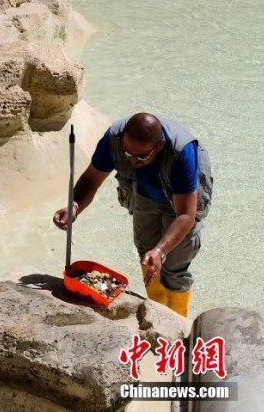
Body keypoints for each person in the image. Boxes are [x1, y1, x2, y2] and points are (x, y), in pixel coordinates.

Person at [53, 113, 213, 317]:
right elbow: (91, 179)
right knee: (147, 254)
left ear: (160, 145)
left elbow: (185, 216)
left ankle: (177, 321)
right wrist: (74, 205)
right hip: (144, 195)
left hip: (180, 200)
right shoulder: (113, 139)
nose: (133, 161)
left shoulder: (182, 152)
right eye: (127, 153)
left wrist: (161, 251)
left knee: (174, 267)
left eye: (141, 156)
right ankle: (157, 313)